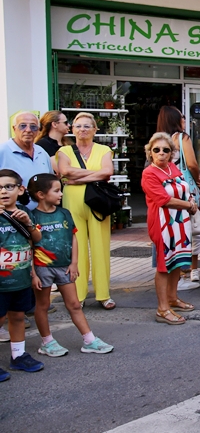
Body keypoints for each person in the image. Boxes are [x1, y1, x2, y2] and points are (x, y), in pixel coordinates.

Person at [28, 173, 113, 355]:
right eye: (57, 190)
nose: (61, 194)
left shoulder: (64, 213)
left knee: (74, 304)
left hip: (64, 267)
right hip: (42, 268)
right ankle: (47, 341)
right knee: (42, 305)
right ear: (41, 194)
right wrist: (33, 273)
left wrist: (75, 263)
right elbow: (29, 246)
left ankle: (89, 340)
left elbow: (73, 237)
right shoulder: (32, 217)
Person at [57, 112, 115, 309]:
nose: (82, 129)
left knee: (101, 247)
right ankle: (78, 295)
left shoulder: (104, 149)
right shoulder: (64, 150)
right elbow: (64, 171)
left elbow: (108, 171)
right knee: (76, 249)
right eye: (78, 126)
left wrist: (77, 179)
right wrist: (95, 174)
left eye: (87, 126)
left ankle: (103, 294)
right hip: (72, 202)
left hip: (97, 201)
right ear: (72, 129)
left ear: (95, 130)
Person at [141, 133, 198, 325]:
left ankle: (173, 298)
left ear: (172, 153)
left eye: (166, 150)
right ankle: (162, 308)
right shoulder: (149, 173)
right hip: (162, 224)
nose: (161, 153)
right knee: (164, 264)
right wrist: (188, 205)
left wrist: (191, 200)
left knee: (177, 261)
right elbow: (163, 200)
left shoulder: (173, 168)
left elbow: (185, 188)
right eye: (156, 150)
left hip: (180, 222)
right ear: (150, 153)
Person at [0, 169, 43, 380]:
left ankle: (18, 356)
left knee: (17, 316)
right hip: (1, 281)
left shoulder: (24, 211)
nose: (3, 192)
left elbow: (36, 238)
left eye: (9, 187)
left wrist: (27, 221)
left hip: (21, 278)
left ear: (20, 189)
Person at [157, 106, 200, 290]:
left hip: (165, 190)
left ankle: (174, 272)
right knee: (190, 230)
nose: (184, 120)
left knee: (171, 231)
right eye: (182, 117)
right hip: (183, 188)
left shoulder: (158, 140)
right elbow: (192, 164)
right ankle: (187, 272)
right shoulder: (181, 137)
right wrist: (198, 180)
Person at [0, 112, 54, 209]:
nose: (28, 130)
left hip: (41, 216)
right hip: (12, 216)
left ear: (38, 130)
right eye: (22, 126)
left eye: (33, 127)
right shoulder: (2, 151)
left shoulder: (41, 152)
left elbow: (50, 181)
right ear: (14, 128)